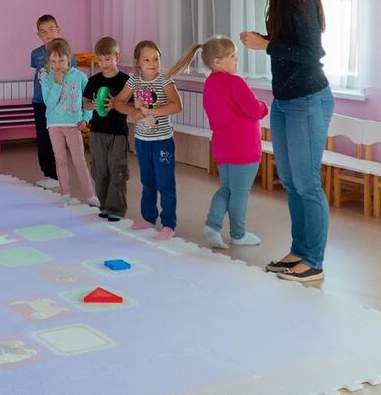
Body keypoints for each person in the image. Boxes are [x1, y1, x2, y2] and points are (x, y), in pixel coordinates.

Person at [240, 0, 333, 283]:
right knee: (291, 182)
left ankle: (313, 261)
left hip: (307, 100)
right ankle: (299, 251)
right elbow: (289, 45)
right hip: (286, 100)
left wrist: (265, 44)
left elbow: (311, 52)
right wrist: (267, 42)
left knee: (307, 183)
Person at [172, 37, 268, 249]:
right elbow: (254, 109)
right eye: (232, 56)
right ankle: (238, 234)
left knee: (227, 189)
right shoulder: (235, 82)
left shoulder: (210, 83)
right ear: (217, 62)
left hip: (222, 147)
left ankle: (213, 225)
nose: (236, 59)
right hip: (244, 148)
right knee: (240, 192)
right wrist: (263, 106)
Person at [113, 41, 184, 241]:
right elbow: (118, 102)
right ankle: (148, 218)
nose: (152, 64)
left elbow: (177, 106)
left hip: (162, 141)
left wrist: (152, 111)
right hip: (142, 141)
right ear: (137, 62)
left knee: (165, 183)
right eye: (147, 60)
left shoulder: (165, 81)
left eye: (156, 59)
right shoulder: (133, 81)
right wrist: (133, 111)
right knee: (147, 182)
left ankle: (168, 224)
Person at [40, 37, 100, 208]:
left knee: (79, 160)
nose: (57, 65)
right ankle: (64, 194)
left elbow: (88, 100)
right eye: (53, 61)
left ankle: (90, 195)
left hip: (73, 125)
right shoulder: (47, 79)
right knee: (60, 160)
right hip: (54, 125)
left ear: (69, 57)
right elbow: (49, 104)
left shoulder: (80, 77)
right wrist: (58, 84)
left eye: (61, 60)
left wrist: (86, 118)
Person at [82, 37, 130, 222]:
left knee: (117, 170)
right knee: (100, 171)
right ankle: (104, 206)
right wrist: (93, 105)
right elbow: (85, 103)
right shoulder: (93, 80)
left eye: (108, 59)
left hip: (118, 133)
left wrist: (116, 104)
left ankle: (116, 209)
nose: (104, 63)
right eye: (100, 60)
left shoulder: (126, 81)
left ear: (117, 57)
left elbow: (132, 105)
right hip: (97, 133)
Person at [30, 14, 74, 189]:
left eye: (51, 29)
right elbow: (37, 74)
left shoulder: (67, 54)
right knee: (42, 138)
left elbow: (72, 77)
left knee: (56, 138)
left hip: (59, 103)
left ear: (58, 30)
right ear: (38, 34)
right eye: (43, 31)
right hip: (40, 102)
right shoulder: (36, 53)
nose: (47, 34)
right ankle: (48, 173)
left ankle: (57, 174)